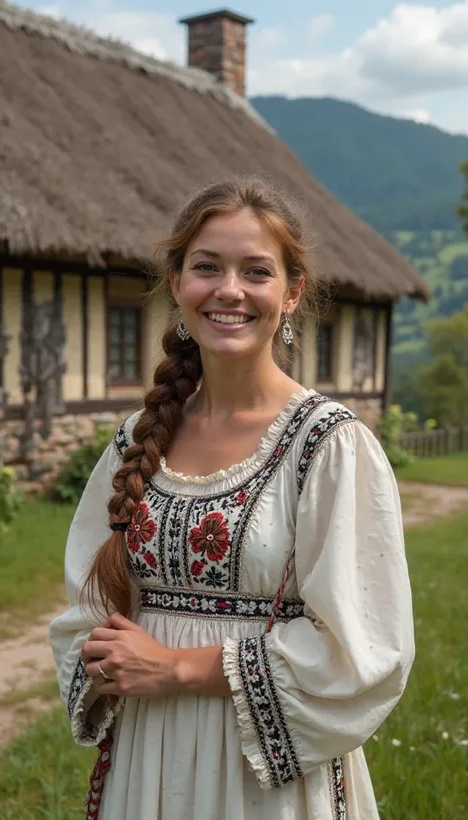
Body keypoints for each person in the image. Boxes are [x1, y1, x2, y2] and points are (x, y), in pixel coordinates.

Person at [50, 177, 415, 820]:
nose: (229, 290)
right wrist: (107, 662)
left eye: (256, 271)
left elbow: (363, 649)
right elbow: (87, 601)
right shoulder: (138, 440)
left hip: (265, 777)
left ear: (291, 292)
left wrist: (176, 667)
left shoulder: (328, 446)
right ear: (176, 282)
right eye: (207, 267)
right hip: (148, 757)